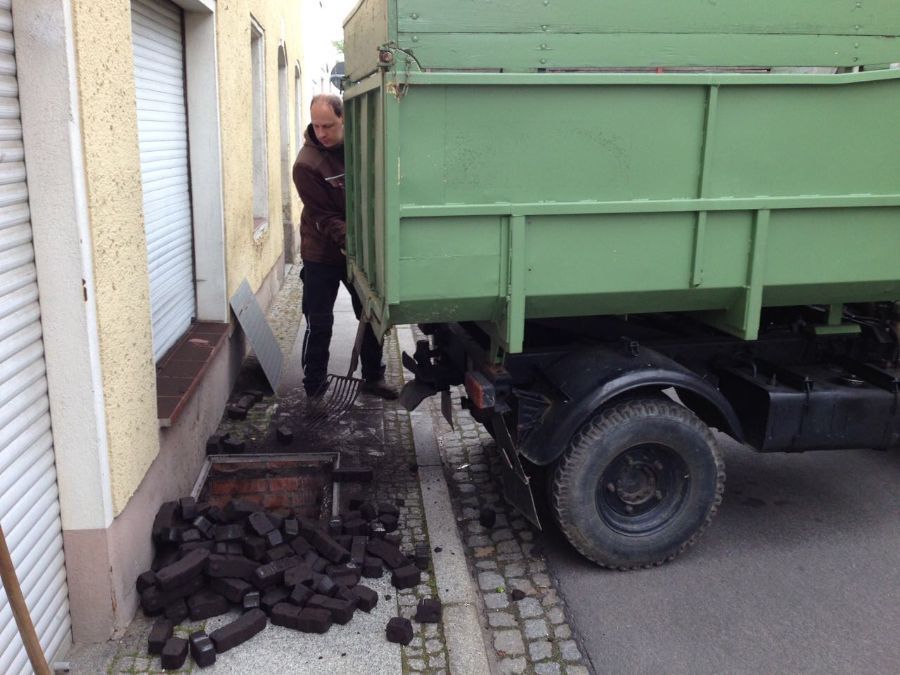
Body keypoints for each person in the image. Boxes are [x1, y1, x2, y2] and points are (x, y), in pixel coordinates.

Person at [292, 94, 397, 400]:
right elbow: (324, 217)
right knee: (319, 321)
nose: (321, 133)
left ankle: (373, 378)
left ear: (344, 120)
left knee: (369, 314)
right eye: (316, 125)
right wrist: (358, 243)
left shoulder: (360, 146)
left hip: (357, 250)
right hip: (321, 254)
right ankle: (314, 387)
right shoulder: (307, 164)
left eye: (328, 125)